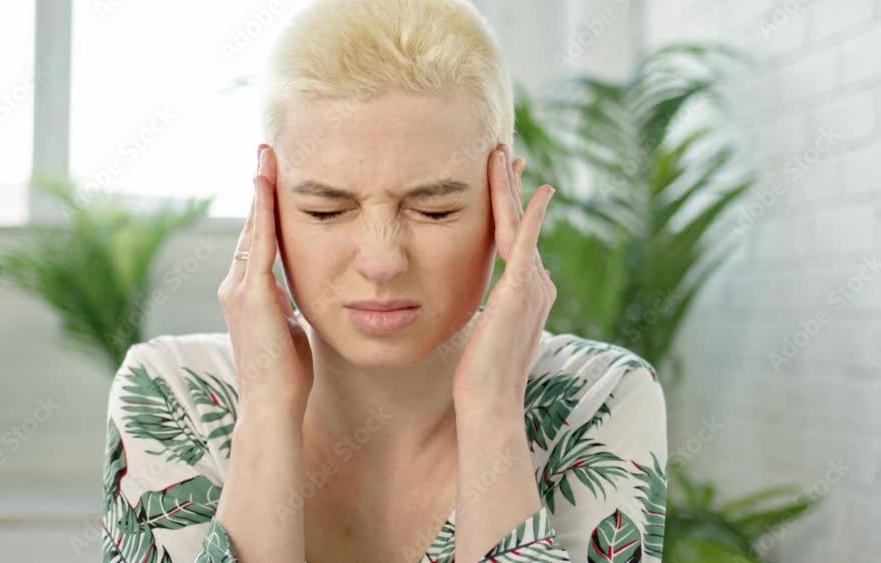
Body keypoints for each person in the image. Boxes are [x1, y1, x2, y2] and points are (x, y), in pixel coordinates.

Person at [101, 0, 668, 561]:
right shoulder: (171, 395)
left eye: (434, 211)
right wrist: (268, 409)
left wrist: (491, 407)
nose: (381, 262)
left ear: (505, 206)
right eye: (326, 210)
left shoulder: (598, 400)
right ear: (268, 206)